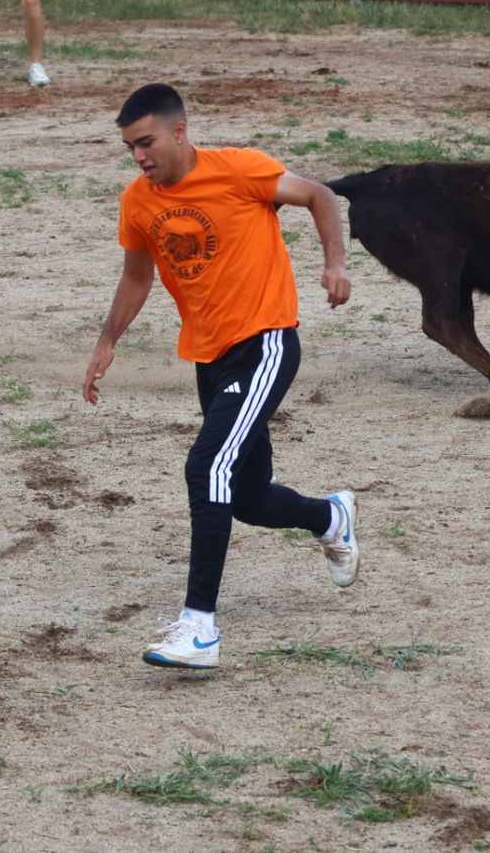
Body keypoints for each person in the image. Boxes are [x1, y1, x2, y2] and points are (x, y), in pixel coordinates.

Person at [81, 83, 358, 670]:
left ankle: (199, 628)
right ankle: (329, 516)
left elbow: (319, 195)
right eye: (130, 147)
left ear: (180, 131)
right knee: (248, 499)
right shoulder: (139, 200)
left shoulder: (239, 170)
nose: (139, 157)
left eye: (147, 142)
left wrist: (335, 262)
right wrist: (107, 341)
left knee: (207, 465)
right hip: (209, 359)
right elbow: (138, 277)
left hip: (265, 343)